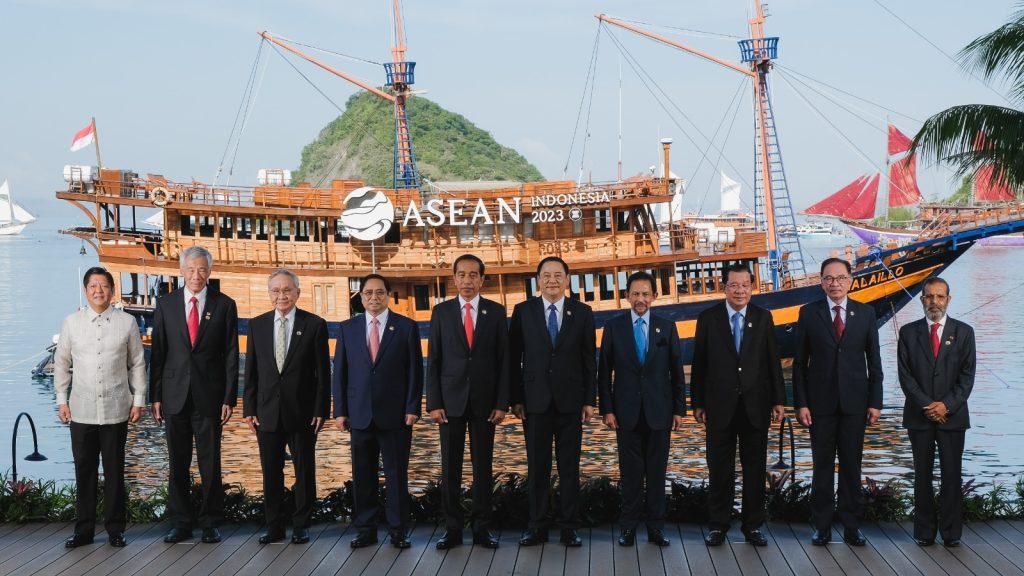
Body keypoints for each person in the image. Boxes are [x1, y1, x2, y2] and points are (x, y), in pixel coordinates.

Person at [691, 263, 785, 547]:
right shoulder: (708, 318)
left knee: (754, 470)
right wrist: (697, 403)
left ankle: (752, 525)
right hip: (719, 407)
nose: (740, 290)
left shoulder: (763, 317)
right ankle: (718, 525)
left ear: (752, 287)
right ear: (724, 287)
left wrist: (779, 400)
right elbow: (699, 365)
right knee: (720, 469)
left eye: (745, 285)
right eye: (734, 285)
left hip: (755, 406)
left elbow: (772, 362)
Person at [151, 246, 240, 544]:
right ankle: (180, 522)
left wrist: (229, 397)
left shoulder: (225, 305)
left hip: (210, 396)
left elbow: (231, 354)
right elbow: (159, 354)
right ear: (181, 271)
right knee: (177, 463)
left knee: (209, 462)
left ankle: (211, 521)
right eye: (191, 269)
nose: (196, 275)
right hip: (174, 394)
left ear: (210, 271)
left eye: (202, 269)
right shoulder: (166, 304)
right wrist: (156, 397)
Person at [54, 267, 147, 549]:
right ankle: (83, 531)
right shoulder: (72, 322)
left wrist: (139, 399)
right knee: (85, 470)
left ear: (112, 290)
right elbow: (62, 362)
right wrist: (61, 399)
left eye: (104, 285)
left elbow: (138, 363)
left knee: (115, 470)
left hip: (117, 407)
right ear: (86, 290)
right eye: (93, 286)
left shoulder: (127, 323)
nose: (98, 290)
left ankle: (115, 529)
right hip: (81, 409)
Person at [793, 257, 882, 547]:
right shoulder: (809, 314)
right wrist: (801, 403)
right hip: (819, 405)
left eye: (840, 277)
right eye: (829, 278)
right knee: (821, 467)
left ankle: (852, 526)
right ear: (821, 282)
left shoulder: (866, 313)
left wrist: (875, 402)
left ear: (850, 280)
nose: (835, 283)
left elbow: (875, 362)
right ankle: (821, 527)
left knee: (851, 467)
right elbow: (799, 364)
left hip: (856, 404)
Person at [509, 256, 596, 547]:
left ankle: (569, 526)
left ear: (567, 279)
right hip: (534, 403)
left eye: (558, 275)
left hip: (571, 402)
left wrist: (589, 400)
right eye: (546, 275)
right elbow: (513, 359)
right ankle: (537, 526)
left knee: (569, 468)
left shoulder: (582, 312)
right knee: (538, 468)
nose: (552, 281)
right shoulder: (523, 312)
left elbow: (588, 361)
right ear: (538, 280)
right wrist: (516, 398)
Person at [332, 274, 423, 550]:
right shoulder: (347, 329)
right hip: (358, 414)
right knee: (363, 476)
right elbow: (340, 373)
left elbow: (415, 372)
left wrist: (412, 408)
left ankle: (398, 530)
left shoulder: (405, 327)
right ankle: (366, 530)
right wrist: (340, 411)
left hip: (396, 415)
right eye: (369, 293)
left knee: (396, 475)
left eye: (380, 292)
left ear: (388, 295)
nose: (374, 297)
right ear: (360, 297)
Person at [426, 255, 509, 550]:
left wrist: (502, 403)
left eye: (473, 275)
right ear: (454, 278)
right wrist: (433, 403)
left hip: (486, 405)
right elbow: (433, 361)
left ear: (482, 280)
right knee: (450, 468)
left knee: (483, 468)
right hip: (449, 404)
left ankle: (482, 528)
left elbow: (504, 362)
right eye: (462, 275)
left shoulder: (496, 312)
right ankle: (452, 528)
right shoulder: (441, 312)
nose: (467, 281)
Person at [243, 269, 330, 545]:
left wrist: (321, 409)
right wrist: (249, 408)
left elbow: (322, 373)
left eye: (287, 290)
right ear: (269, 294)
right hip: (266, 412)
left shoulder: (315, 324)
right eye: (276, 291)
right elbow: (252, 373)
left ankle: (302, 524)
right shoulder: (256, 325)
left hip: (303, 412)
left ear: (297, 293)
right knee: (271, 471)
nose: (281, 295)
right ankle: (274, 526)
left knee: (304, 470)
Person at [597, 271, 684, 548]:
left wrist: (679, 410)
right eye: (635, 294)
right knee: (631, 474)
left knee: (657, 474)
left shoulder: (667, 327)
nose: (640, 299)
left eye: (646, 294)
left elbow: (676, 372)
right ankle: (628, 528)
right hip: (626, 414)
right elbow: (604, 373)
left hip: (660, 412)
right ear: (627, 297)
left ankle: (656, 529)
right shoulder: (613, 327)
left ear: (654, 297)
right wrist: (607, 410)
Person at [897, 277, 975, 548]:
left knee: (952, 475)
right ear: (922, 300)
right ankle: (924, 532)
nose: (934, 302)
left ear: (948, 300)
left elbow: (967, 377)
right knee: (922, 475)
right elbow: (905, 377)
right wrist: (928, 406)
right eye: (929, 296)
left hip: (953, 417)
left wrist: (947, 406)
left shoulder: (964, 332)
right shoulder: (907, 333)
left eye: (940, 297)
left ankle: (952, 534)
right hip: (919, 417)